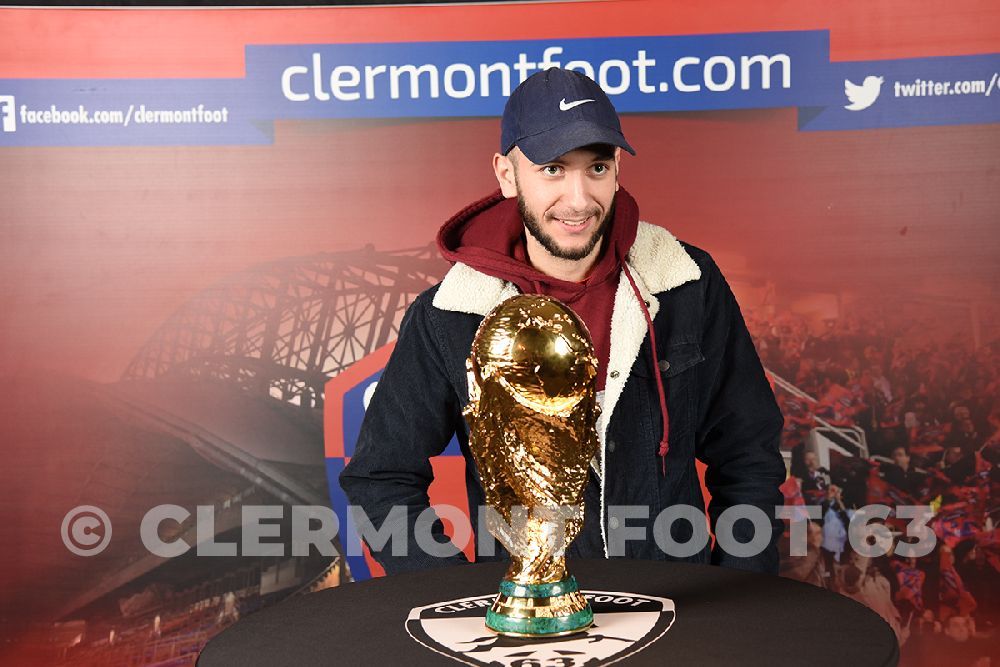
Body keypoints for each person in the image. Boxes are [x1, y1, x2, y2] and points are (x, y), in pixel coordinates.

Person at [339, 67, 785, 575]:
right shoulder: (450, 314)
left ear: (618, 167)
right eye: (552, 168)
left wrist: (741, 593)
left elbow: (748, 450)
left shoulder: (685, 282)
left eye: (596, 168)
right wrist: (456, 600)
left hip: (679, 612)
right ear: (507, 175)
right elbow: (380, 477)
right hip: (525, 633)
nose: (578, 200)